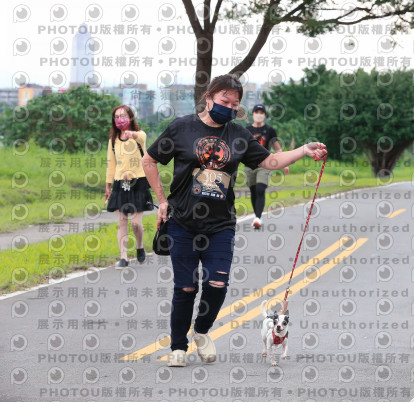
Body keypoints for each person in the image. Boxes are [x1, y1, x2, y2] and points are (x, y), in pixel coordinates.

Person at [142, 74, 327, 368]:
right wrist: (162, 200)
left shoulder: (238, 135)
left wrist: (303, 150)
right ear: (209, 97)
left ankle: (201, 331)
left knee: (217, 284)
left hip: (221, 224)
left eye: (234, 104)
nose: (229, 107)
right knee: (185, 288)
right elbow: (149, 160)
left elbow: (270, 161)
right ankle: (178, 347)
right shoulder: (182, 128)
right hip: (182, 221)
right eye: (224, 100)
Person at [105, 105, 153, 269]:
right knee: (122, 221)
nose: (120, 119)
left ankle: (139, 246)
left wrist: (132, 134)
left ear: (130, 117)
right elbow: (111, 164)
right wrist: (108, 186)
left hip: (138, 182)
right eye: (117, 117)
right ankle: (123, 257)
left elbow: (140, 136)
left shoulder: (140, 135)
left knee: (136, 223)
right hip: (120, 183)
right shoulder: (113, 141)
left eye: (123, 116)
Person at [245, 104, 288, 229]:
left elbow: (277, 148)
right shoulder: (247, 130)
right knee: (253, 191)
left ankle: (258, 218)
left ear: (264, 115)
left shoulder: (269, 130)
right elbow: (241, 148)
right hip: (249, 165)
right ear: (253, 114)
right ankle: (257, 216)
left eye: (261, 112)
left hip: (265, 164)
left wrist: (284, 163)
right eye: (257, 112)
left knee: (260, 188)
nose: (259, 115)